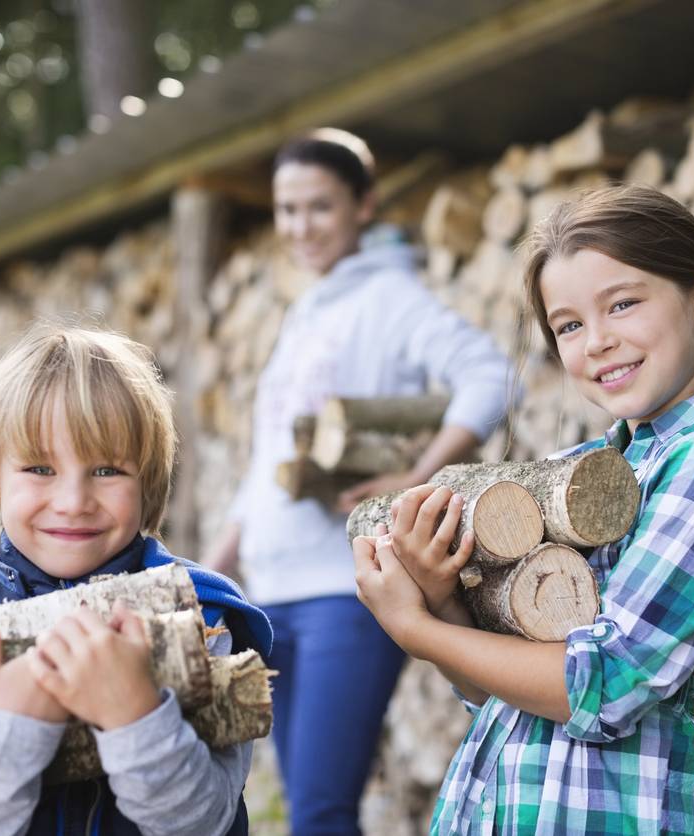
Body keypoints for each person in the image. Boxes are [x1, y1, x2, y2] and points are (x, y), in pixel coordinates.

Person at [353, 183, 694, 834]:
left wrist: (417, 631)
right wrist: (440, 598)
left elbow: (605, 687)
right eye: (571, 325)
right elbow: (494, 687)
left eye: (623, 304)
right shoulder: (581, 473)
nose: (598, 341)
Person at [203, 128, 513, 834]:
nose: (300, 227)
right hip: (270, 595)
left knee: (319, 809)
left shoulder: (391, 298)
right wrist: (207, 578)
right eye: (287, 210)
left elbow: (491, 374)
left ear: (363, 205)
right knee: (299, 803)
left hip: (348, 592)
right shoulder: (304, 312)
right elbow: (264, 468)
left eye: (320, 207)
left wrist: (415, 476)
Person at [0, 322, 272, 836]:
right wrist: (7, 741)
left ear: (148, 483)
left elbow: (208, 824)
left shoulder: (204, 619)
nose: (73, 501)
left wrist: (138, 719)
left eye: (107, 470)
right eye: (39, 468)